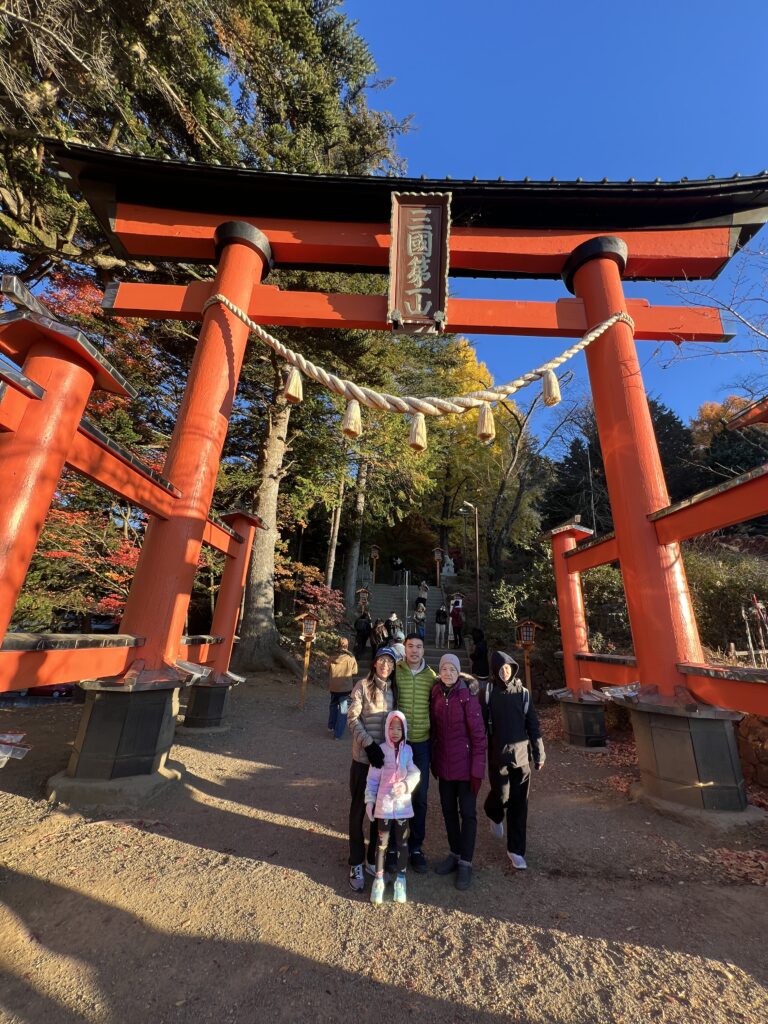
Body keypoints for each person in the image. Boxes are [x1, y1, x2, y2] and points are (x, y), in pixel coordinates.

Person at [482, 651, 545, 871]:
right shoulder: (488, 693)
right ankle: (494, 813)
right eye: (501, 669)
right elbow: (480, 726)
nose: (505, 672)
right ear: (495, 671)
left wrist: (539, 752)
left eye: (508, 668)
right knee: (501, 795)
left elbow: (533, 725)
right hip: (497, 756)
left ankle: (516, 850)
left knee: (519, 804)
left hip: (521, 758)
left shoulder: (523, 694)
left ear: (513, 669)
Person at [430, 653, 486, 890]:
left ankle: (466, 861)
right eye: (444, 669)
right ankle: (454, 852)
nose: (448, 673)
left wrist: (477, 770)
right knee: (448, 811)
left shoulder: (467, 695)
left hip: (465, 767)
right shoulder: (435, 693)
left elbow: (479, 736)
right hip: (444, 764)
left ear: (458, 672)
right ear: (440, 671)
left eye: (452, 669)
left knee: (468, 813)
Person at [346, 647, 399, 891]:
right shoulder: (362, 686)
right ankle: (355, 861)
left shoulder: (395, 690)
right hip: (363, 760)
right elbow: (352, 718)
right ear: (375, 663)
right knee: (358, 811)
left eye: (390, 662)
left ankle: (371, 858)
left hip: (384, 762)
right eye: (382, 661)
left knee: (379, 812)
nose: (385, 665)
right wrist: (369, 744)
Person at [364, 710, 420, 905]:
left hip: (403, 806)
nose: (395, 732)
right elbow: (372, 779)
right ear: (386, 729)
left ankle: (401, 880)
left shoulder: (408, 751)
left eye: (399, 728)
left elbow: (415, 773)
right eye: (391, 728)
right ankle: (378, 880)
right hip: (385, 807)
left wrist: (405, 785)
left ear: (404, 731)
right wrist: (370, 800)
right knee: (382, 844)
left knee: (403, 844)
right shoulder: (381, 750)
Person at [394, 634, 436, 873]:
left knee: (419, 796)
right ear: (405, 648)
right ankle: (394, 845)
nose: (415, 651)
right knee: (395, 793)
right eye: (410, 646)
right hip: (399, 743)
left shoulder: (431, 676)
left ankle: (416, 847)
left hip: (421, 743)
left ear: (423, 651)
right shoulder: (395, 671)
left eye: (419, 647)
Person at [327, 637, 358, 740]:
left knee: (333, 705)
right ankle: (338, 734)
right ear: (347, 645)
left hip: (334, 686)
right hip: (345, 687)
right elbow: (355, 671)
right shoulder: (351, 657)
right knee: (343, 710)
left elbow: (327, 669)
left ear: (338, 644)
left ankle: (331, 726)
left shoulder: (332, 656)